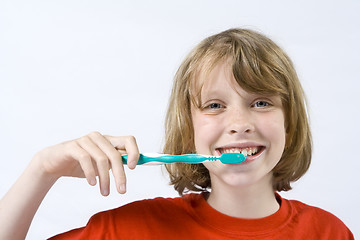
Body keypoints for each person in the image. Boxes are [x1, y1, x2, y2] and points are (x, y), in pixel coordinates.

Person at [0, 28, 354, 240]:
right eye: (214, 106)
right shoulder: (133, 229)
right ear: (189, 131)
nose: (239, 122)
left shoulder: (329, 233)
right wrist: (42, 169)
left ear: (290, 123)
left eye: (261, 102)